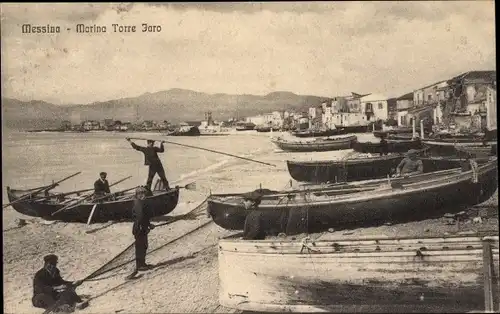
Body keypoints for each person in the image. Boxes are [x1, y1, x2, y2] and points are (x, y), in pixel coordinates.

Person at [126, 186, 156, 279]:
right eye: (141, 193)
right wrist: (146, 226)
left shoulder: (141, 202)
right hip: (139, 228)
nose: (143, 195)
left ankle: (142, 264)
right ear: (137, 195)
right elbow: (140, 217)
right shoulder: (138, 203)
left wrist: (149, 225)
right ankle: (140, 265)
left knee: (143, 246)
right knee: (140, 246)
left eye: (144, 193)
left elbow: (144, 217)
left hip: (141, 227)